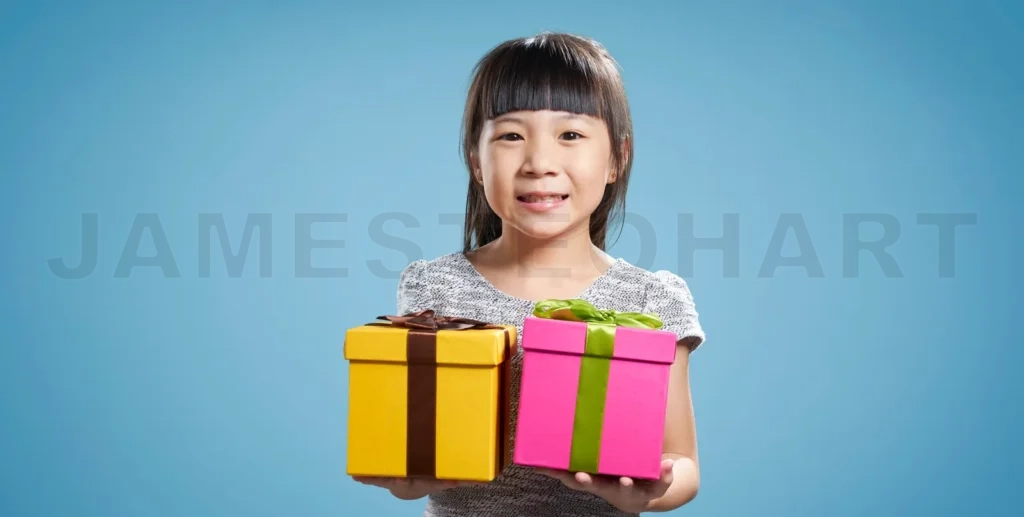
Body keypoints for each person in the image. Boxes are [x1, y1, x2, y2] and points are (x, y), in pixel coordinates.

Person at [353, 31, 707, 516]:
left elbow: (682, 462)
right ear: (476, 161)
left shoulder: (650, 299)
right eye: (511, 136)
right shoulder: (434, 286)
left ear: (617, 159)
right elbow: (415, 441)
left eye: (571, 135)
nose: (540, 163)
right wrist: (407, 480)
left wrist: (648, 490)